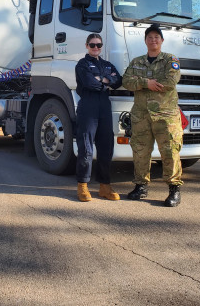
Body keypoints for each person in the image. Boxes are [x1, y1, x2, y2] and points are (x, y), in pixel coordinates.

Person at [122, 24, 183, 207]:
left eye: (157, 37)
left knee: (170, 151)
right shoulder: (136, 62)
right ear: (145, 41)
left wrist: (141, 83)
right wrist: (145, 83)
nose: (153, 40)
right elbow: (126, 81)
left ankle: (174, 189)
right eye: (150, 37)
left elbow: (171, 81)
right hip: (141, 116)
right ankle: (140, 186)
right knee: (140, 151)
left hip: (165, 116)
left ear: (162, 41)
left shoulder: (170, 60)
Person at [75, 33, 122, 202]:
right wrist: (106, 81)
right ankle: (83, 186)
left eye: (99, 45)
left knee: (106, 147)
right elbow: (89, 83)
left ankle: (105, 186)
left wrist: (102, 79)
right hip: (88, 107)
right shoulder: (82, 64)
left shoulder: (107, 65)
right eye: (93, 45)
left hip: (104, 107)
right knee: (86, 147)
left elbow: (118, 81)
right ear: (87, 46)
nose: (96, 48)